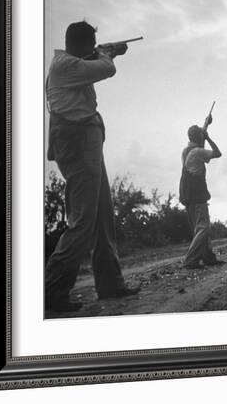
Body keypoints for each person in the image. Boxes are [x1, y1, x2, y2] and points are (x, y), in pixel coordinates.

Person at [45, 21, 140, 313]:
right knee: (84, 220)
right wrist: (107, 54)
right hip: (77, 141)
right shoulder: (66, 66)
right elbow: (106, 69)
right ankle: (52, 290)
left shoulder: (71, 62)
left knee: (102, 216)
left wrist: (102, 52)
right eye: (93, 43)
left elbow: (95, 64)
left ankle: (110, 284)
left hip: (85, 140)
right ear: (85, 44)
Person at [179, 115, 223, 268]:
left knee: (199, 229)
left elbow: (199, 139)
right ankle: (190, 260)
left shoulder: (187, 151)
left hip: (187, 196)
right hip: (197, 195)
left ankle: (208, 258)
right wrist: (208, 137)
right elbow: (218, 153)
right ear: (199, 137)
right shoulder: (197, 152)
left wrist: (205, 125)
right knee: (204, 228)